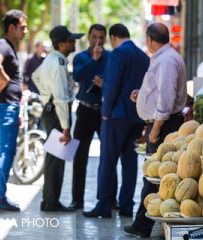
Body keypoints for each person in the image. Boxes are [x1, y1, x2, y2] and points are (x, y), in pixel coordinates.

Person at [124, 22, 187, 237]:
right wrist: (140, 95)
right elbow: (159, 91)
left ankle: (143, 225)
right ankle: (143, 223)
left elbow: (166, 99)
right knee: (154, 175)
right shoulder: (164, 57)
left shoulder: (167, 60)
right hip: (162, 124)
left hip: (164, 126)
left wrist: (155, 128)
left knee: (154, 176)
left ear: (150, 39)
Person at [83, 24, 149, 218]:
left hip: (116, 116)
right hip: (136, 116)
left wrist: (105, 111)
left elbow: (112, 86)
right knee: (130, 163)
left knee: (108, 161)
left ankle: (104, 206)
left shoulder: (117, 54)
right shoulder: (143, 56)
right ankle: (127, 206)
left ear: (112, 37)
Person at [32, 25, 84, 212]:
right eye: (71, 41)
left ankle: (49, 200)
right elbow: (62, 100)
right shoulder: (59, 63)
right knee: (56, 159)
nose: (74, 43)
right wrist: (66, 129)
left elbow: (35, 76)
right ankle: (51, 202)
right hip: (56, 112)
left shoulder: (51, 60)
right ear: (61, 44)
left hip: (50, 110)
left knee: (53, 158)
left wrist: (45, 95)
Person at [70, 24, 118, 210]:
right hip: (84, 110)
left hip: (104, 111)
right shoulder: (81, 57)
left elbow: (115, 81)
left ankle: (108, 199)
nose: (98, 41)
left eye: (101, 37)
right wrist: (92, 60)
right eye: (94, 37)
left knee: (108, 156)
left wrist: (104, 83)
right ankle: (77, 200)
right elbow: (77, 76)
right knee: (79, 156)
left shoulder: (111, 57)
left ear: (105, 39)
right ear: (89, 38)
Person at [0, 9, 28, 211]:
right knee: (6, 150)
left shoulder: (8, 47)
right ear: (11, 27)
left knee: (4, 150)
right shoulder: (3, 46)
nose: (26, 31)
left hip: (9, 106)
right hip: (6, 107)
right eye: (22, 27)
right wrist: (4, 80)